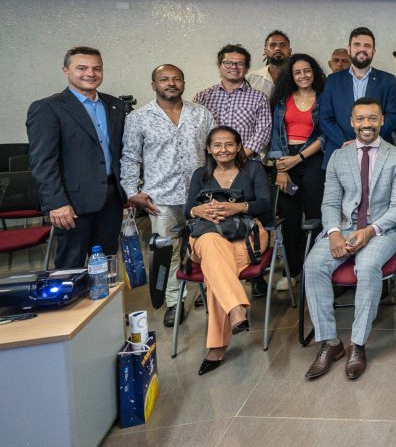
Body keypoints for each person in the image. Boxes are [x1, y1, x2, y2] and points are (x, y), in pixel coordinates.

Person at [303, 98, 396, 381]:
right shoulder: (338, 157)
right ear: (352, 122)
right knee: (313, 266)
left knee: (367, 266)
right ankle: (330, 342)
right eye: (360, 119)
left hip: (382, 230)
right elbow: (329, 202)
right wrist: (333, 232)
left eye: (372, 118)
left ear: (382, 121)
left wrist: (370, 230)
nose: (366, 124)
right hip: (343, 227)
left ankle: (357, 344)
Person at [120, 64, 214, 326]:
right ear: (154, 85)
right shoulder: (138, 118)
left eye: (176, 78)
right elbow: (130, 157)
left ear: (183, 83)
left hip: (200, 196)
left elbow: (214, 153)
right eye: (164, 79)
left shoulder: (201, 114)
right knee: (168, 253)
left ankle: (209, 293)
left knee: (206, 247)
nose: (171, 83)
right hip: (160, 198)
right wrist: (131, 192)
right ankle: (175, 302)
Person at [183, 126, 272, 375]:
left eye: (229, 144)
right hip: (205, 237)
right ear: (209, 149)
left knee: (216, 271)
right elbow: (187, 210)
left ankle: (217, 347)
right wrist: (198, 210)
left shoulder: (253, 169)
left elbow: (265, 204)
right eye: (217, 145)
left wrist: (238, 207)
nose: (223, 150)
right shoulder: (200, 174)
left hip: (245, 238)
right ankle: (236, 308)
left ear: (239, 146)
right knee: (212, 244)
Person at [27, 47, 127, 269]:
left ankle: (103, 293)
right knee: (70, 266)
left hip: (111, 199)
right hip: (71, 204)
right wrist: (56, 203)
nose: (90, 73)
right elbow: (43, 162)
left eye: (96, 68)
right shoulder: (47, 108)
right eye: (82, 68)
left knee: (107, 264)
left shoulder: (115, 106)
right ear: (66, 70)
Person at [267, 54, 327, 288]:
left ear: (314, 72)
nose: (303, 76)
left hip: (312, 159)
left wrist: (299, 157)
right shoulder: (282, 100)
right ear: (291, 76)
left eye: (307, 71)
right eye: (297, 72)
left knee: (316, 215)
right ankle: (292, 271)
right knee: (289, 219)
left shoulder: (323, 98)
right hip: (285, 161)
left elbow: (324, 135)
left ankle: (315, 269)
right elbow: (275, 135)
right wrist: (281, 169)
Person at [319, 27, 396, 165]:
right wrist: (346, 143)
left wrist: (366, 141)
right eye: (357, 44)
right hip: (340, 150)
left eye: (367, 46)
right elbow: (325, 118)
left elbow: (393, 116)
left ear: (373, 51)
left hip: (377, 152)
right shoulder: (333, 80)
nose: (362, 49)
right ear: (349, 49)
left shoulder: (388, 80)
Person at [193, 44, 272, 158]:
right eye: (228, 63)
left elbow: (263, 132)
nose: (234, 67)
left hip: (246, 161)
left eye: (240, 64)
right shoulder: (202, 97)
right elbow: (195, 131)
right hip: (211, 161)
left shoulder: (259, 98)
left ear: (247, 69)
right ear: (219, 66)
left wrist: (240, 157)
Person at [246, 30, 292, 98]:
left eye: (282, 45)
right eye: (273, 45)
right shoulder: (250, 79)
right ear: (265, 51)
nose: (278, 48)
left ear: (290, 51)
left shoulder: (298, 77)